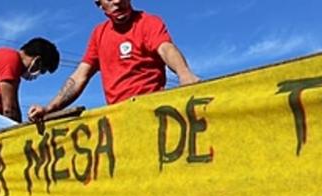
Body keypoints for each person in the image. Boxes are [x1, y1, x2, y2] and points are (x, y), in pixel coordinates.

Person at [28, 0, 198, 123]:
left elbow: (166, 48)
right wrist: (49, 108)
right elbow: (80, 76)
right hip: (118, 119)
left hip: (153, 112)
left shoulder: (148, 22)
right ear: (100, 4)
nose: (117, 1)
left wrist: (185, 74)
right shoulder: (98, 34)